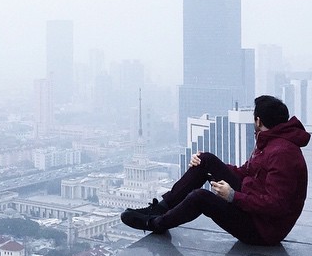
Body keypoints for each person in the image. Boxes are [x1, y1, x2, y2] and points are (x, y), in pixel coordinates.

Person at [121, 95, 310, 245]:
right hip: (254, 206)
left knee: (200, 197)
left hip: (262, 230)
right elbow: (246, 171)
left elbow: (276, 205)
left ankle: (155, 223)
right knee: (206, 159)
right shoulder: (270, 142)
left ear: (258, 120)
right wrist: (204, 164)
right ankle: (160, 208)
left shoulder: (282, 153)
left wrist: (233, 196)